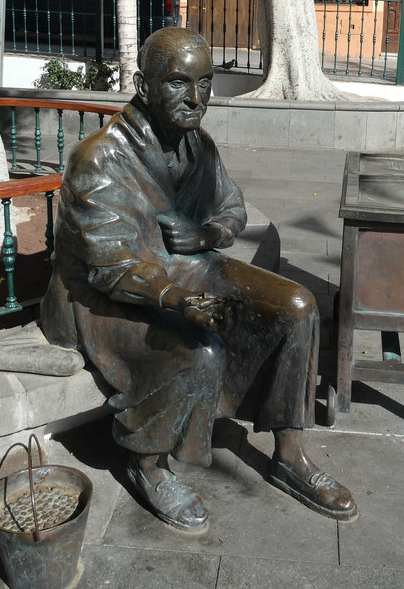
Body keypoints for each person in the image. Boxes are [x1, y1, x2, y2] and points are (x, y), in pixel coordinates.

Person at [38, 27, 357, 533]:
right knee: (197, 350)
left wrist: (205, 232)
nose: (196, 99)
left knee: (297, 306)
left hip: (185, 271)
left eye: (205, 83)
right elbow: (110, 266)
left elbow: (232, 209)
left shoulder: (198, 146)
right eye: (179, 83)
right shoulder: (98, 158)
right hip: (105, 298)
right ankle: (148, 466)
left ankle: (290, 453)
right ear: (144, 86)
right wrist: (179, 300)